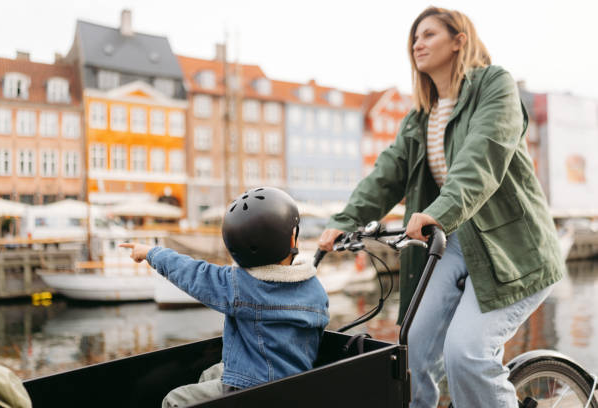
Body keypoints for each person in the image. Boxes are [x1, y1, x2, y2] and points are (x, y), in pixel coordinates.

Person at [318, 6, 564, 408]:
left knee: (467, 354)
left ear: (458, 40)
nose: (418, 43)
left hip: (514, 249)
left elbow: (481, 159)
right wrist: (344, 222)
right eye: (414, 37)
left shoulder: (494, 85)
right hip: (452, 245)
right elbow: (385, 175)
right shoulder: (420, 117)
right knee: (411, 349)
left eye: (429, 34)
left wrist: (440, 210)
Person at [121, 187, 329, 408]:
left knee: (174, 400)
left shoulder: (240, 285)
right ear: (291, 238)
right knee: (213, 372)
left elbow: (192, 273)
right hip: (295, 384)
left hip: (252, 389)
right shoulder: (315, 289)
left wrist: (151, 253)